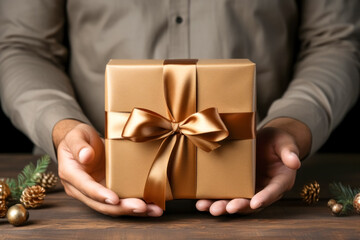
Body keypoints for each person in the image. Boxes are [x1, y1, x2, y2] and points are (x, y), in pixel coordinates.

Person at [0, 1, 359, 217]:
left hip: (268, 188)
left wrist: (293, 126)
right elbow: (23, 45)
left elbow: (335, 41)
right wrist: (61, 128)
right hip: (79, 198)